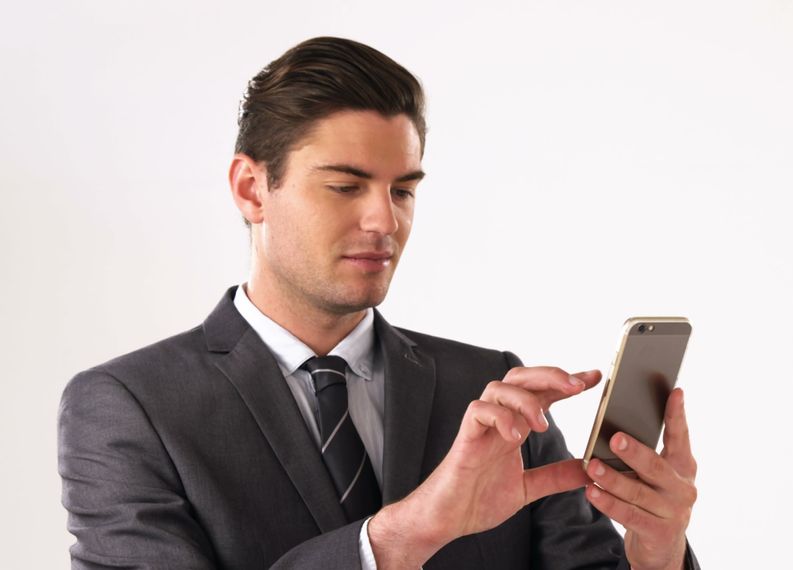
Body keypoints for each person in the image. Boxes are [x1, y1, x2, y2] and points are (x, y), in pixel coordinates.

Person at [58, 36, 700, 569]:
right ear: (253, 190)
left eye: (403, 191)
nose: (383, 222)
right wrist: (400, 537)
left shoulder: (492, 391)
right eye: (345, 186)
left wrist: (657, 550)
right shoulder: (129, 408)